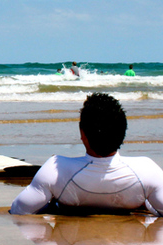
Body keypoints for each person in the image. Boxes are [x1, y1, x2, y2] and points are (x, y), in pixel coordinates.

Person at [10, 92, 163, 215]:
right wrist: (146, 204)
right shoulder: (147, 170)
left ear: (82, 133)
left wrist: (55, 207)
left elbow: (19, 210)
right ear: (123, 132)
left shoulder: (56, 170)